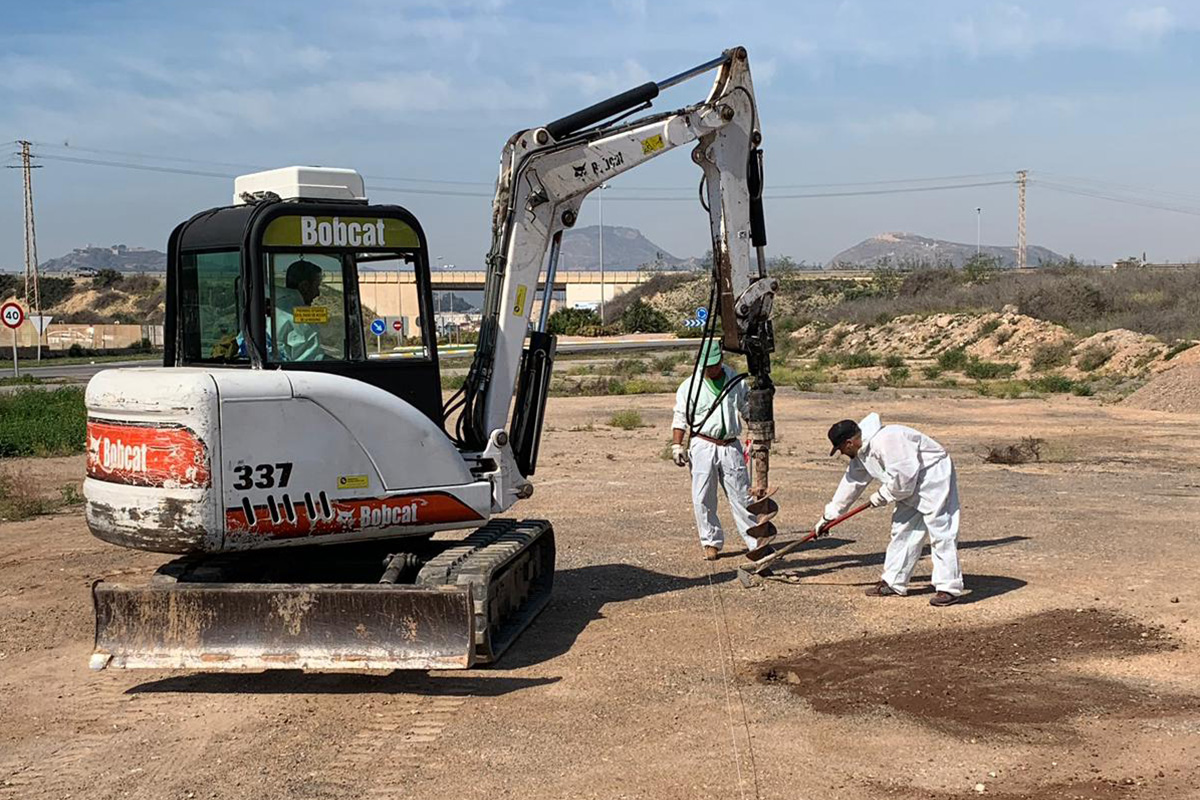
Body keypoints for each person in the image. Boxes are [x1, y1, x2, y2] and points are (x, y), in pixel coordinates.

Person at [817, 412, 964, 607]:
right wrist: (829, 516)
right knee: (902, 530)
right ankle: (894, 582)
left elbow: (904, 477)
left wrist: (880, 496)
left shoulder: (888, 439)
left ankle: (948, 588)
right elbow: (851, 484)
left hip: (933, 478)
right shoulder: (861, 455)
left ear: (849, 442)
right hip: (906, 485)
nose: (842, 453)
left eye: (841, 448)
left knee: (940, 529)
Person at [671, 340, 773, 561]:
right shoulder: (689, 386)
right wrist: (677, 445)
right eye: (707, 366)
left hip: (730, 445)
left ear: (721, 361)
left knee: (741, 495)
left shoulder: (735, 380)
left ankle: (754, 542)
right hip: (702, 444)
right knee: (703, 496)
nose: (712, 369)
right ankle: (711, 542)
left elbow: (746, 407)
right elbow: (680, 417)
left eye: (715, 365)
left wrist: (756, 431)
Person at [273, 260, 324, 361]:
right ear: (304, 286)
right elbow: (312, 362)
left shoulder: (276, 307)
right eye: (316, 286)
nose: (318, 293)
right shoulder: (300, 319)